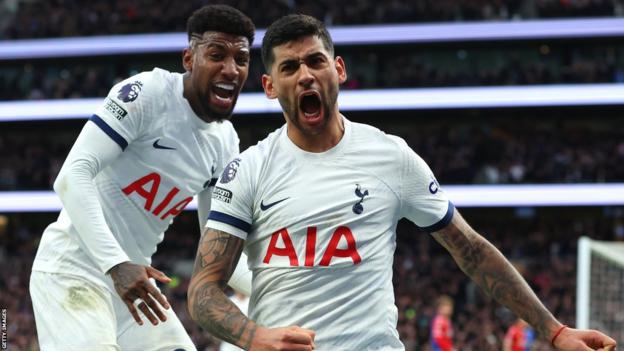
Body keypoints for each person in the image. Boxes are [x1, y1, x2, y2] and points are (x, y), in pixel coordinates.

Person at [187, 14, 618, 351]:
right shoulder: (247, 170)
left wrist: (556, 331)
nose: (305, 75)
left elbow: (470, 249)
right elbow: (204, 289)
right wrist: (255, 338)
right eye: (290, 66)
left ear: (338, 68)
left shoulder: (390, 157)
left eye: (316, 61)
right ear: (268, 85)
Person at [30, 5, 255, 350]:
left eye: (241, 59)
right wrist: (116, 264)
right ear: (189, 59)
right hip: (72, 271)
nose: (230, 69)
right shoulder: (147, 93)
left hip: (133, 287)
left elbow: (218, 254)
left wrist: (291, 291)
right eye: (216, 55)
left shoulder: (225, 142)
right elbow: (72, 176)